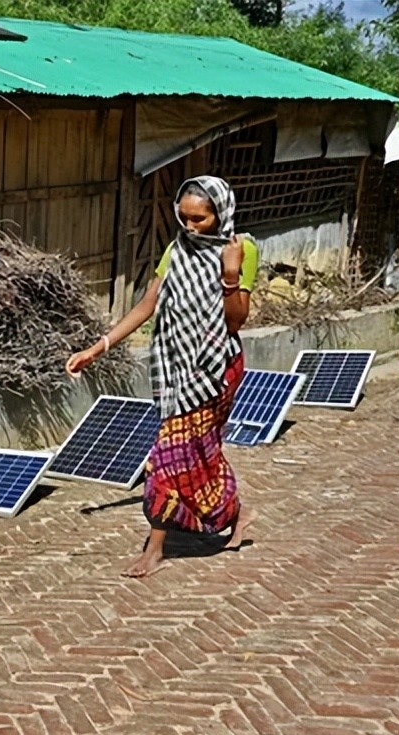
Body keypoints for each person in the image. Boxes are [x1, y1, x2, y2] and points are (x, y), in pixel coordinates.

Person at [65, 175, 259, 578]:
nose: (191, 227)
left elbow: (235, 321)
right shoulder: (177, 250)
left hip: (216, 370)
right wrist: (97, 348)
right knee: (196, 457)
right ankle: (235, 513)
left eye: (200, 219)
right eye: (184, 218)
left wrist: (230, 274)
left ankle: (155, 550)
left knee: (168, 457)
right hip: (176, 368)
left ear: (221, 214)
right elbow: (147, 306)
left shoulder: (241, 249)